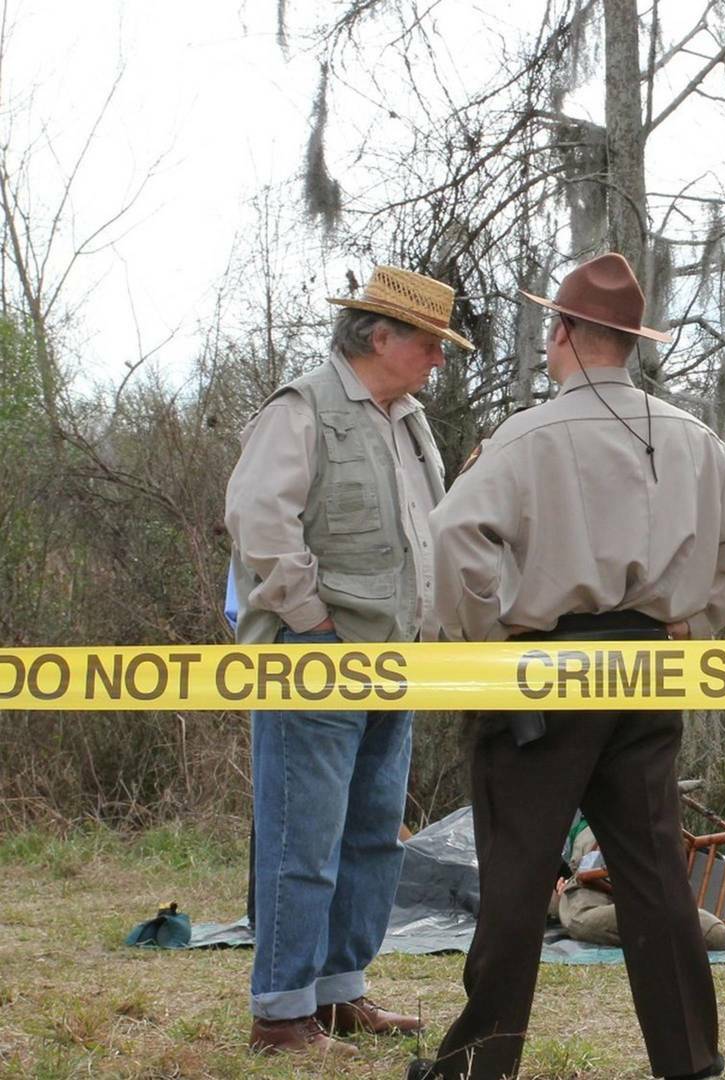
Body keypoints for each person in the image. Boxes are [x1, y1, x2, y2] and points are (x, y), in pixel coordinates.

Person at [415, 252, 725, 1080]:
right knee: (653, 875)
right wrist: (690, 621)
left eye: (552, 329)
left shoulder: (527, 434)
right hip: (648, 668)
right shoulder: (692, 436)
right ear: (631, 341)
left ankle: (477, 1068)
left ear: (567, 333)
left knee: (514, 878)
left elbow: (452, 537)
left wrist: (486, 647)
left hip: (542, 668)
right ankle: (690, 1064)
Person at [226, 265, 470, 1057]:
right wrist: (313, 624)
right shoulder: (301, 409)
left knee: (371, 834)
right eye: (430, 343)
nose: (438, 358)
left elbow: (423, 535)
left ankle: (338, 995)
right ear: (380, 336)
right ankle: (281, 1015)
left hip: (393, 661)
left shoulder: (408, 419)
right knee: (304, 837)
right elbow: (260, 521)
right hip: (316, 660)